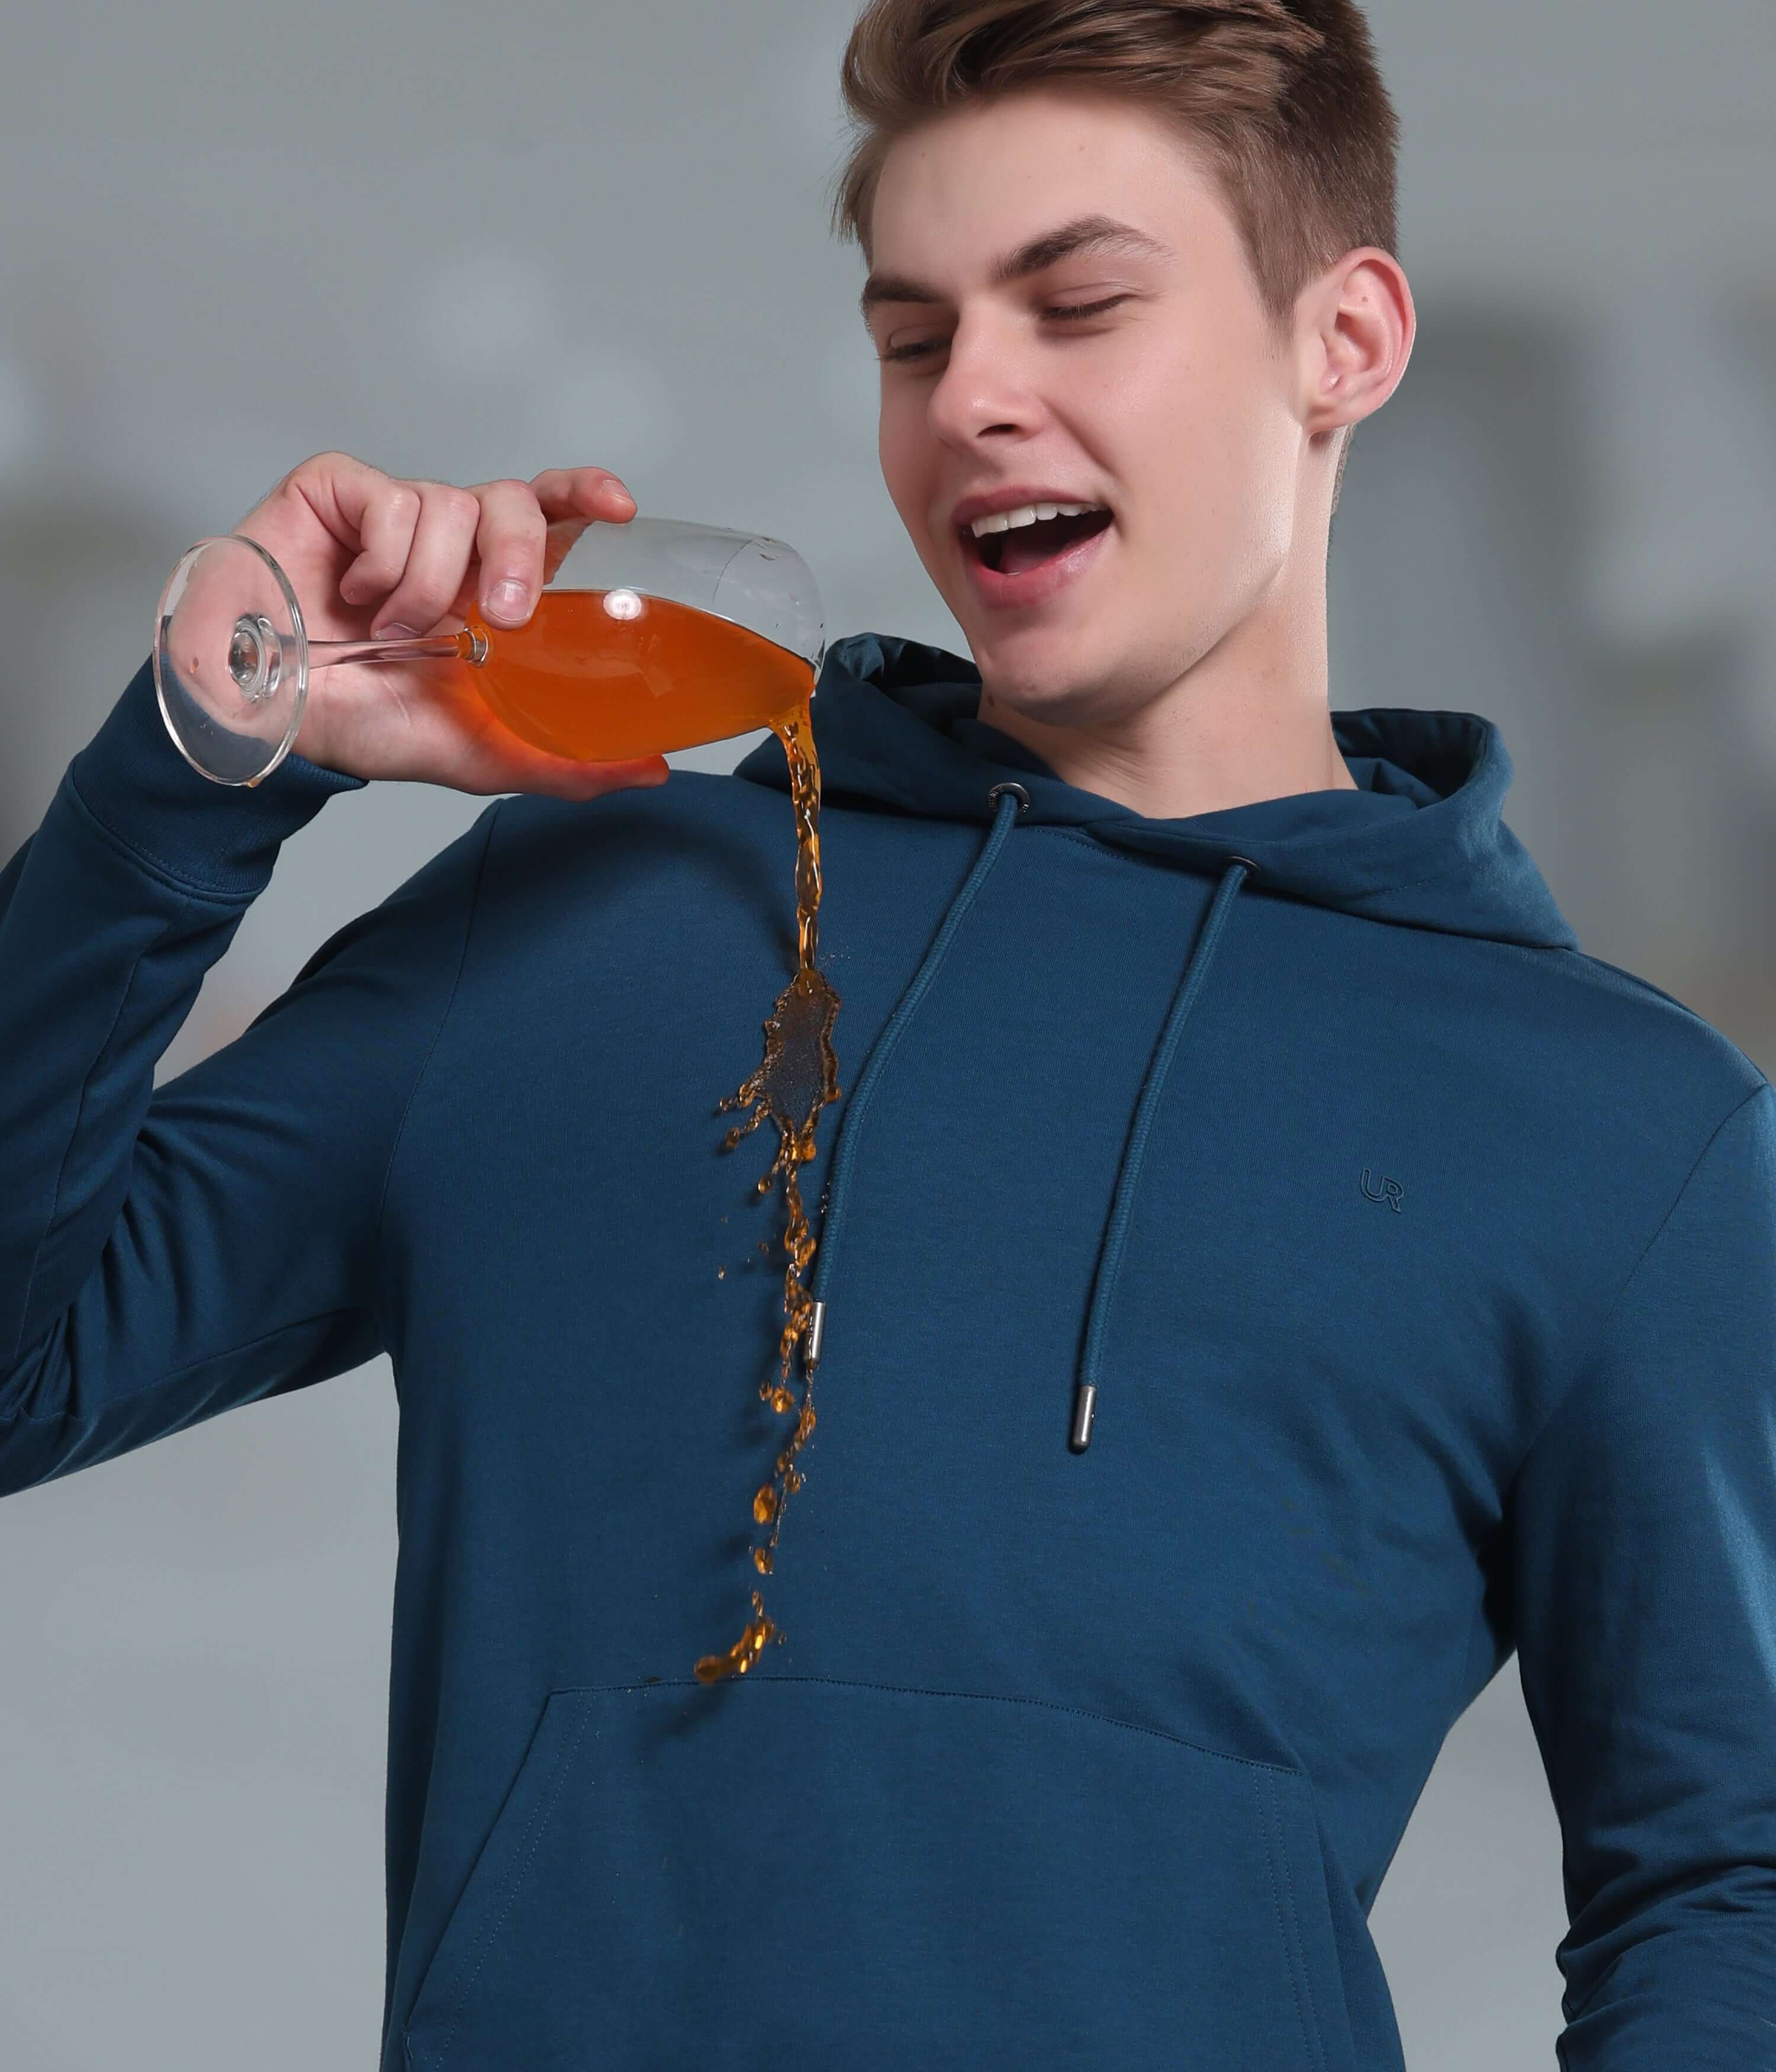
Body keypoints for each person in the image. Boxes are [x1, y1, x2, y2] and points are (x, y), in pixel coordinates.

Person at [4, 0, 1772, 2063]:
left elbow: (1719, 1881)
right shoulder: (596, 920)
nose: (975, 404)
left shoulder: (1610, 1130)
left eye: (1078, 304)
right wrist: (206, 749)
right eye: (917, 338)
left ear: (1345, 342)